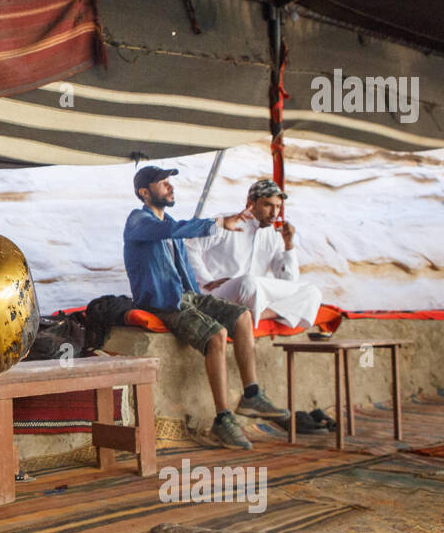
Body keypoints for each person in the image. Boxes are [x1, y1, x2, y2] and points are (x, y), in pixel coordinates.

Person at [123, 165, 289, 449]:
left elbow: (181, 254)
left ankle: (251, 394)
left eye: (169, 183)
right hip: (162, 301)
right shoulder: (138, 221)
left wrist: (203, 292)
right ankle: (223, 419)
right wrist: (218, 223)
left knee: (241, 315)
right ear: (144, 192)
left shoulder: (170, 222)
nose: (170, 187)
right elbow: (169, 230)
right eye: (163, 184)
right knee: (216, 335)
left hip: (185, 295)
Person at [185, 179, 323, 329]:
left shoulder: (275, 235)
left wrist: (289, 245)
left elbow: (289, 282)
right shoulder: (225, 221)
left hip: (254, 295)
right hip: (219, 294)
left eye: (278, 207)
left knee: (311, 292)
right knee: (248, 282)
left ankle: (253, 316)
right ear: (251, 202)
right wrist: (206, 281)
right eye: (268, 205)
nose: (274, 213)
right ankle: (251, 313)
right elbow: (189, 248)